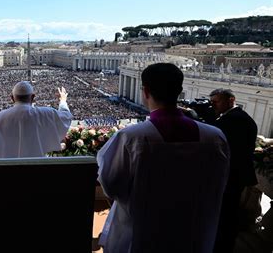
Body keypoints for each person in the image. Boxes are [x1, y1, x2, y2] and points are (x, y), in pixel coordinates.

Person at [97, 63, 230, 253]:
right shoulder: (216, 137)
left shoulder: (131, 137)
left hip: (142, 234)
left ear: (145, 91)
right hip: (194, 233)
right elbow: (220, 182)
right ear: (179, 91)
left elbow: (110, 185)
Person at [209, 88, 258, 253]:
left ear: (231, 100)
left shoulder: (233, 119)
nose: (213, 106)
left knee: (226, 216)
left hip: (231, 177)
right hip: (233, 176)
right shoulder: (237, 118)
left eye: (216, 102)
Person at [0, 81, 72, 158]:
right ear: (33, 97)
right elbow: (66, 116)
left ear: (12, 98)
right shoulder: (46, 113)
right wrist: (63, 100)